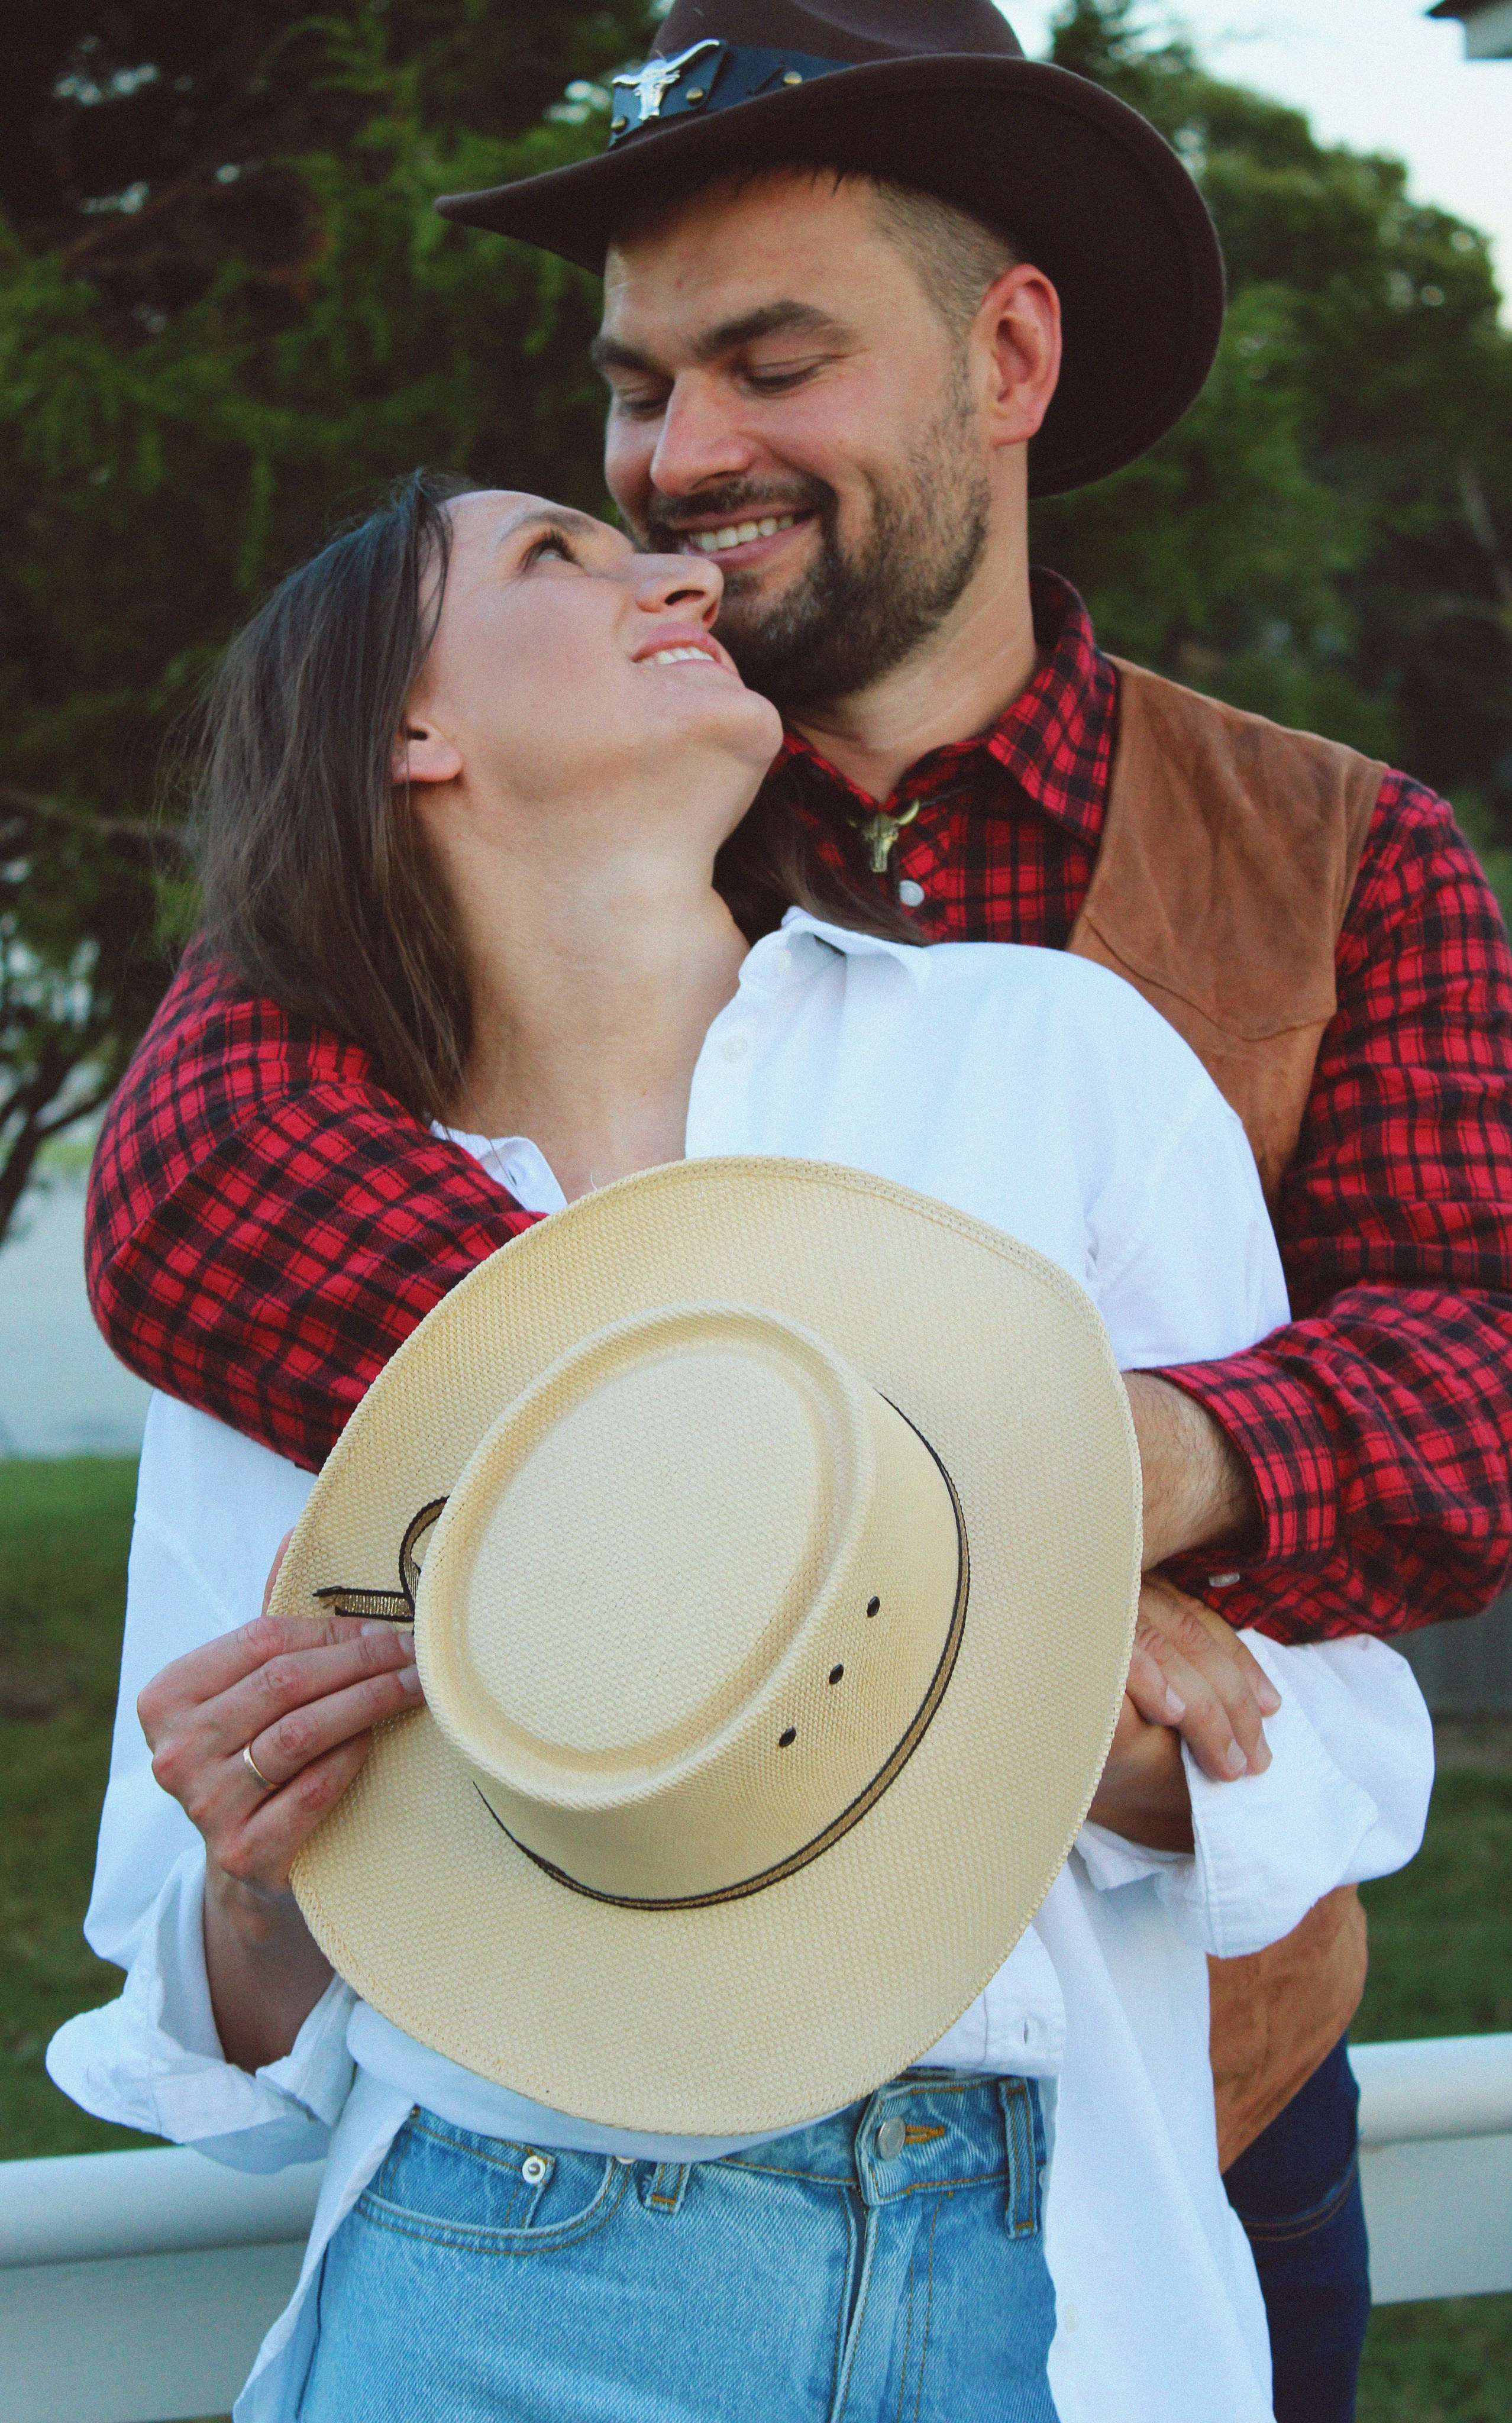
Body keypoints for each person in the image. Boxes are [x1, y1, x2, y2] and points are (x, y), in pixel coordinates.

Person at [82, 7, 1512, 2414]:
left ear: (1008, 359)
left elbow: (1479, 1377)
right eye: (637, 390)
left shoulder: (1328, 864)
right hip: (532, 2180)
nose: (677, 465)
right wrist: (728, 1509)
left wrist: (1089, 1482)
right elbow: (191, 1175)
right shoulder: (524, 860)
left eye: (770, 362)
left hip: (1168, 2127)